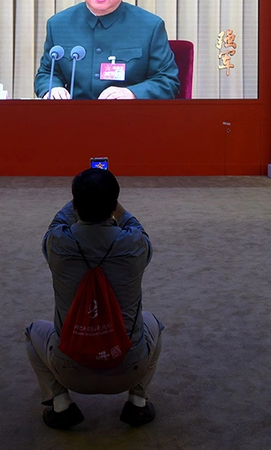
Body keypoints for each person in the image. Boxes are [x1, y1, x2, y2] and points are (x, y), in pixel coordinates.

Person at [25, 168, 163, 429]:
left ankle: (61, 404)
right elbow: (136, 226)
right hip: (129, 366)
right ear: (113, 205)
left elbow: (56, 223)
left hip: (69, 369)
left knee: (32, 331)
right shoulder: (135, 244)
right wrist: (112, 202)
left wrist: (81, 197)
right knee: (153, 322)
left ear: (75, 204)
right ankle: (137, 402)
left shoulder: (57, 243)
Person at [34, 0, 179, 100]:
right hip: (74, 117)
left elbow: (167, 80)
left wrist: (132, 93)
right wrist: (52, 88)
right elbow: (47, 73)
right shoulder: (59, 24)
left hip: (127, 117)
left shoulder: (149, 26)